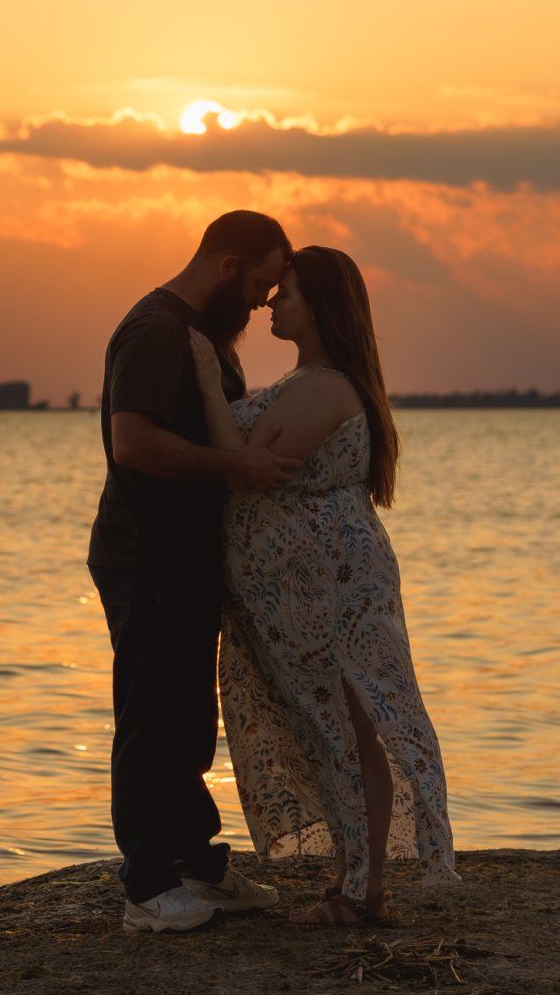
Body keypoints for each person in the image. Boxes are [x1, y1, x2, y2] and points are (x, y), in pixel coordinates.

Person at [187, 245, 459, 926]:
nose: (274, 302)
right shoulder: (312, 378)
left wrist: (200, 379)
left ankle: (362, 893)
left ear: (323, 307)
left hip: (333, 587)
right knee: (337, 727)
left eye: (289, 292)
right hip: (312, 589)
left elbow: (241, 461)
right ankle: (356, 883)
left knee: (351, 725)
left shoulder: (325, 386)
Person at [88, 210, 297, 934]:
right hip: (145, 550)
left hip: (186, 553)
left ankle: (195, 863)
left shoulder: (203, 335)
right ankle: (147, 886)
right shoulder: (157, 330)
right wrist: (236, 467)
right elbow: (134, 443)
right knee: (152, 715)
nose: (264, 302)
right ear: (229, 267)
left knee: (186, 715)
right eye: (262, 284)